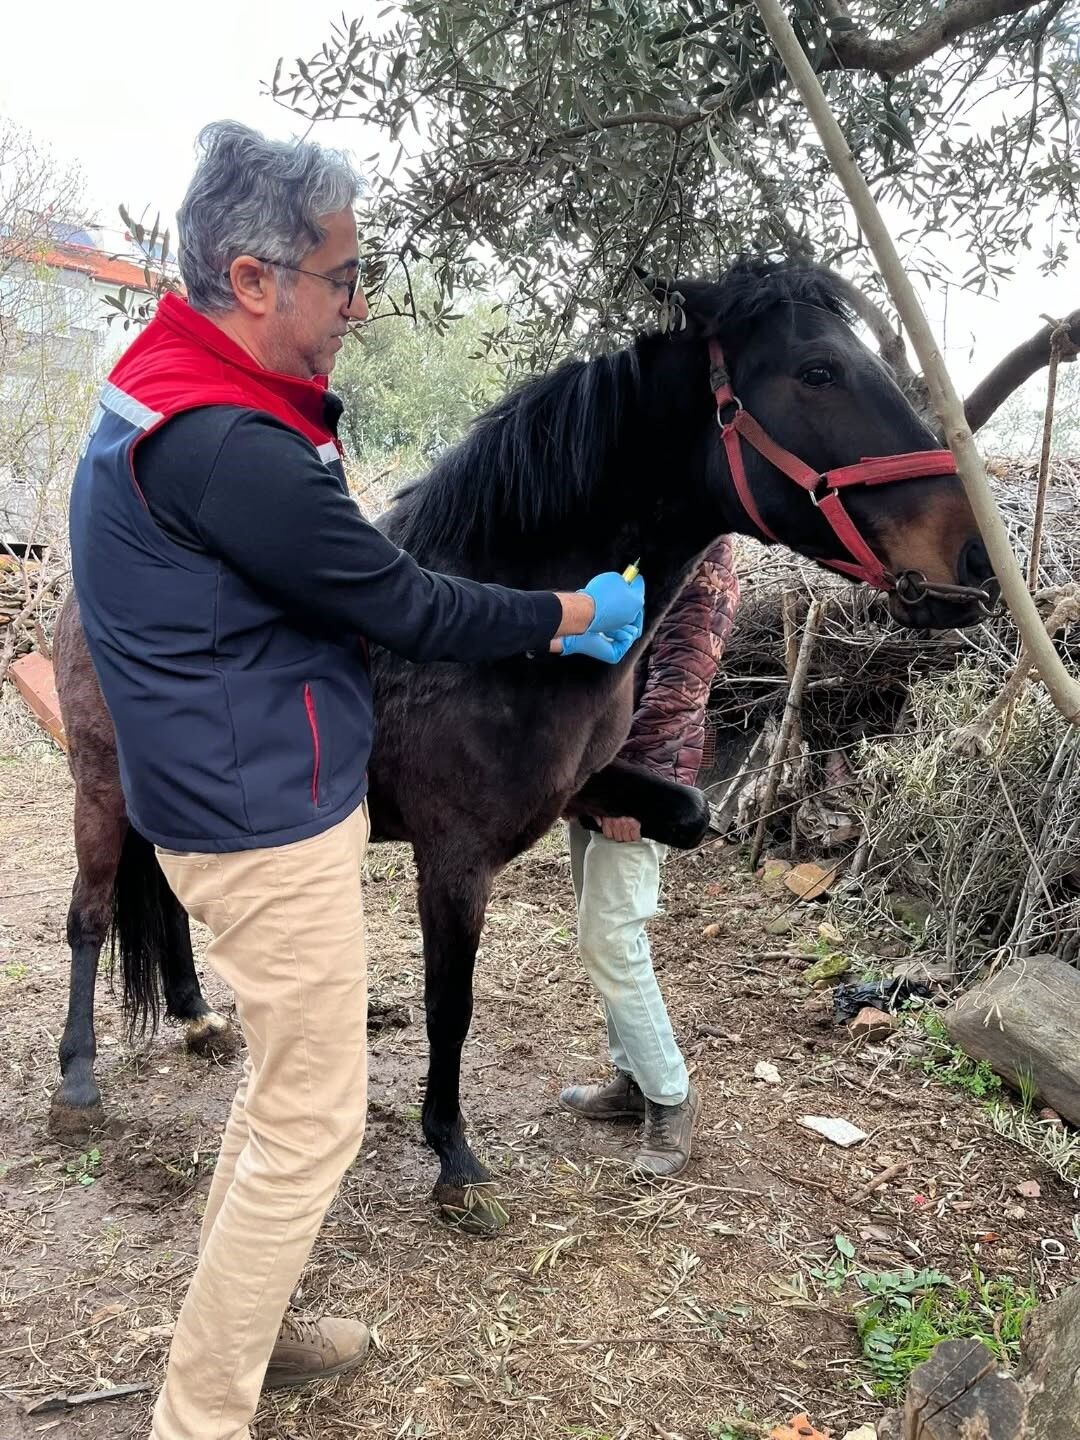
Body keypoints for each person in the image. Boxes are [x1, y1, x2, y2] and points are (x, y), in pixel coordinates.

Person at [67, 120, 645, 1440]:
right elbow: (394, 597)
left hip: (237, 788)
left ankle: (248, 1331)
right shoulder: (227, 444)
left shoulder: (183, 387)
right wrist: (563, 613)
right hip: (262, 818)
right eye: (342, 278)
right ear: (253, 275)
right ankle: (199, 1414)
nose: (358, 304)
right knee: (320, 1118)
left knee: (286, 1091)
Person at [560, 539, 740, 1178]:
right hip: (588, 775)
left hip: (635, 783)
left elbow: (680, 687)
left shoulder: (703, 559)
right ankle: (631, 1080)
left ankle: (669, 1097)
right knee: (601, 931)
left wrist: (628, 786)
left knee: (610, 938)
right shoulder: (632, 541)